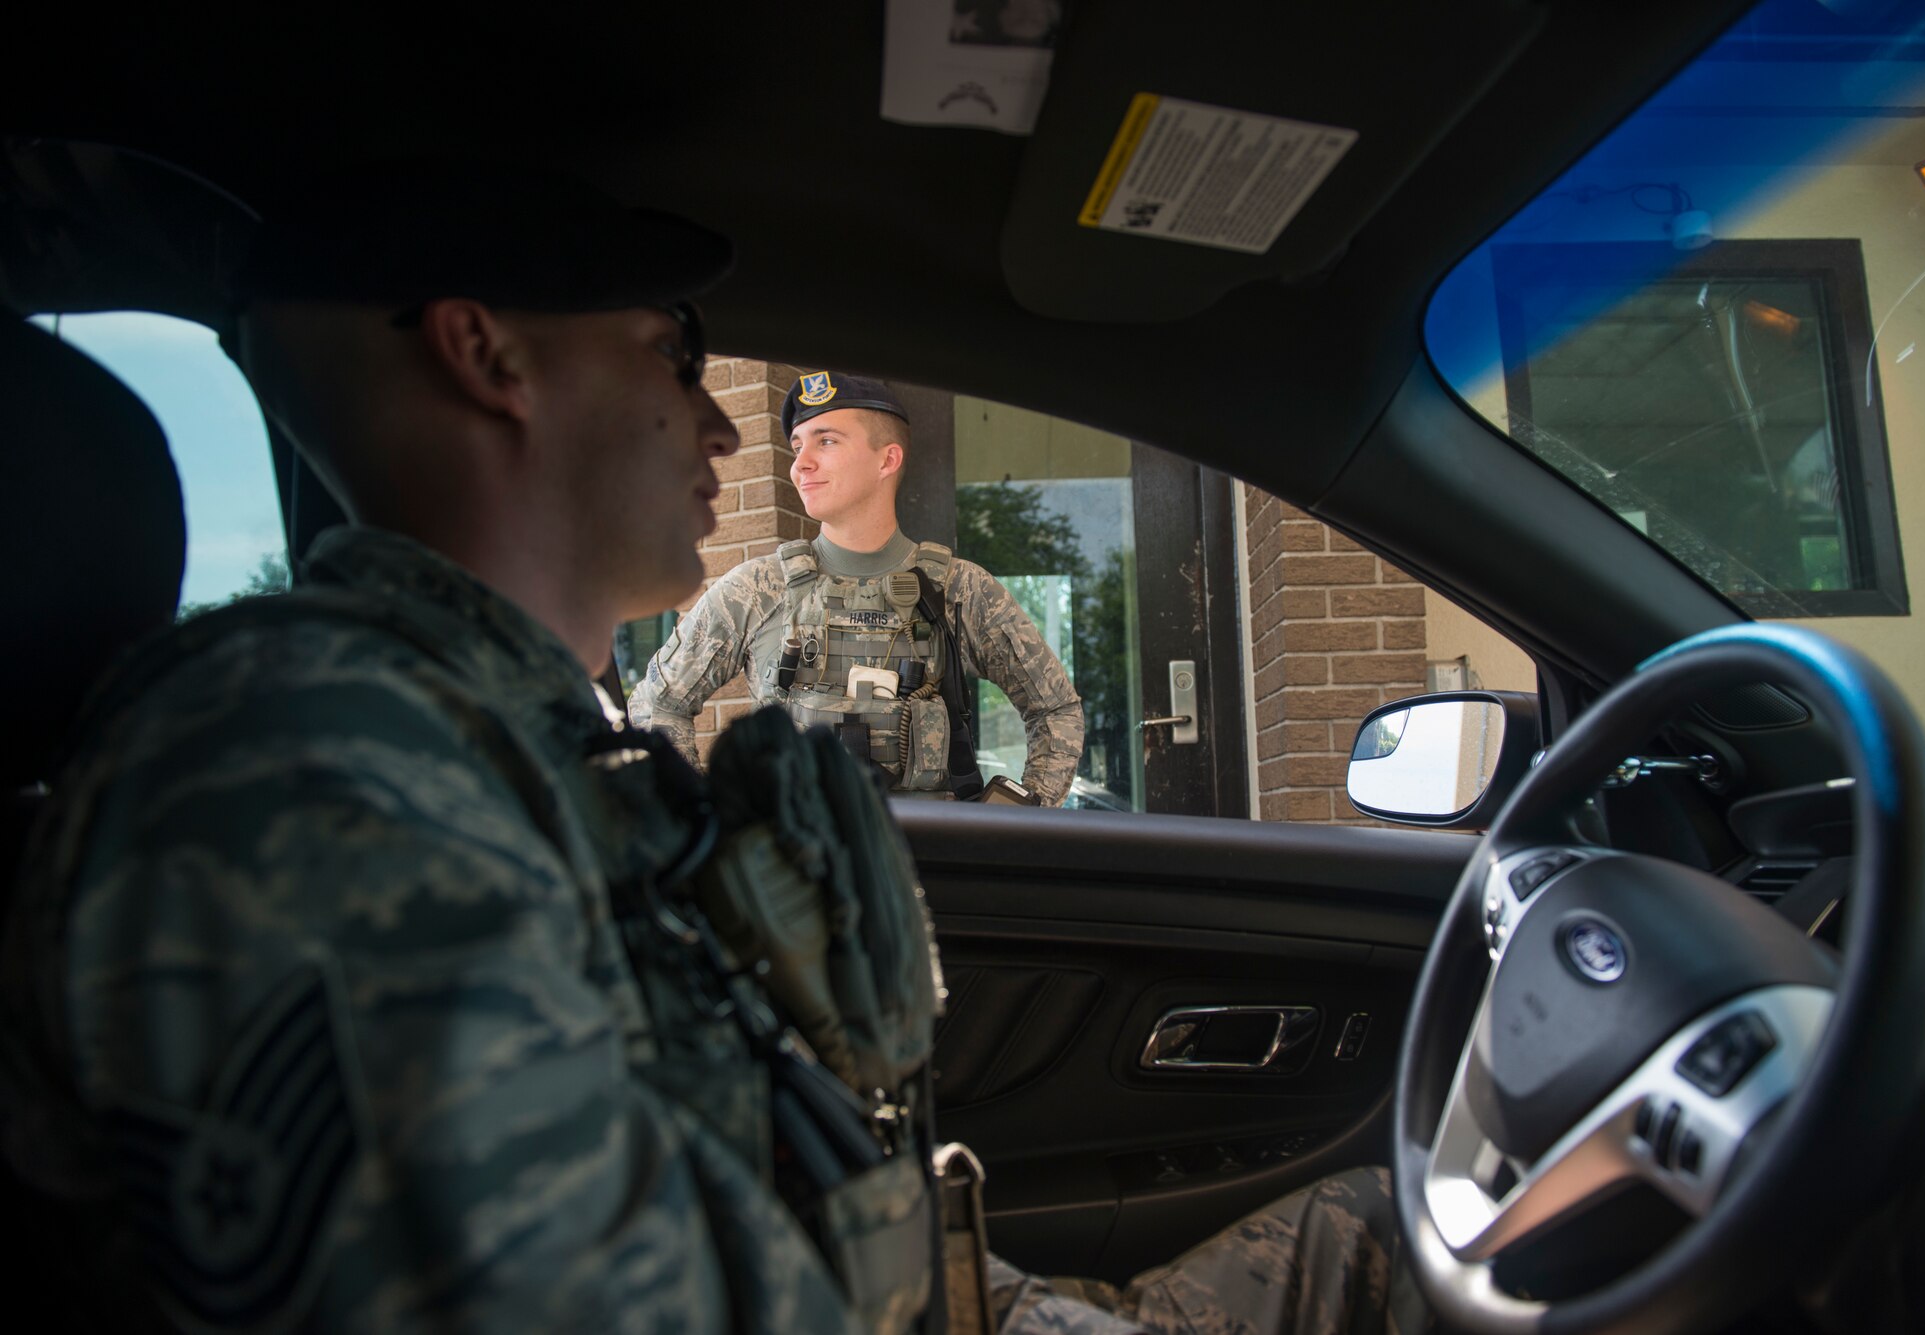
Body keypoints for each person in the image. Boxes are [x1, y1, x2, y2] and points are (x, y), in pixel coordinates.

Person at [0, 161, 1421, 1334]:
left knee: (1394, 1230)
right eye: (672, 351)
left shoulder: (517, 748)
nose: (726, 423)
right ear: (487, 354)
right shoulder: (310, 782)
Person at [627, 371, 1086, 807]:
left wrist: (1019, 813)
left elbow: (1056, 710)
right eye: (797, 446)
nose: (801, 464)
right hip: (801, 858)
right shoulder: (756, 588)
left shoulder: (962, 589)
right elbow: (657, 704)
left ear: (887, 459)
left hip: (931, 859)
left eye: (826, 441)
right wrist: (709, 820)